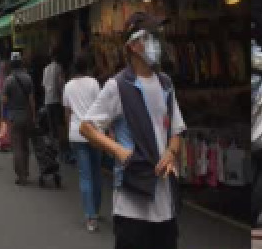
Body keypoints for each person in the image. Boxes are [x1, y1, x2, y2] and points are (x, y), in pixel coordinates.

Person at [80, 12, 186, 249]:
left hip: (165, 202)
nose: (158, 42)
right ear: (133, 45)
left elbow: (176, 131)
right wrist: (118, 150)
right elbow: (87, 127)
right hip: (131, 202)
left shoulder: (166, 83)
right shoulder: (118, 86)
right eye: (151, 37)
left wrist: (171, 152)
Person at [63, 53, 103, 232]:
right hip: (94, 132)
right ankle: (96, 209)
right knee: (96, 172)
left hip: (77, 132)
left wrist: (68, 131)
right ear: (87, 67)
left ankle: (90, 216)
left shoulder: (68, 86)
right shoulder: (94, 83)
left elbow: (67, 112)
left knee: (85, 175)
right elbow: (101, 106)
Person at [3, 51, 38, 185]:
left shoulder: (8, 80)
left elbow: (4, 101)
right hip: (26, 115)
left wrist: (4, 116)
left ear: (11, 64)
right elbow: (32, 100)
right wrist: (33, 116)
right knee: (25, 145)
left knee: (17, 146)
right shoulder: (28, 78)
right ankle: (26, 171)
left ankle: (20, 175)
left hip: (14, 116)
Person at [42, 48, 66, 153]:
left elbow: (44, 85)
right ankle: (60, 147)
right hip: (57, 100)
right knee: (59, 123)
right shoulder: (59, 67)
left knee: (51, 124)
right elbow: (61, 84)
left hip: (48, 100)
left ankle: (54, 146)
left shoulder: (45, 69)